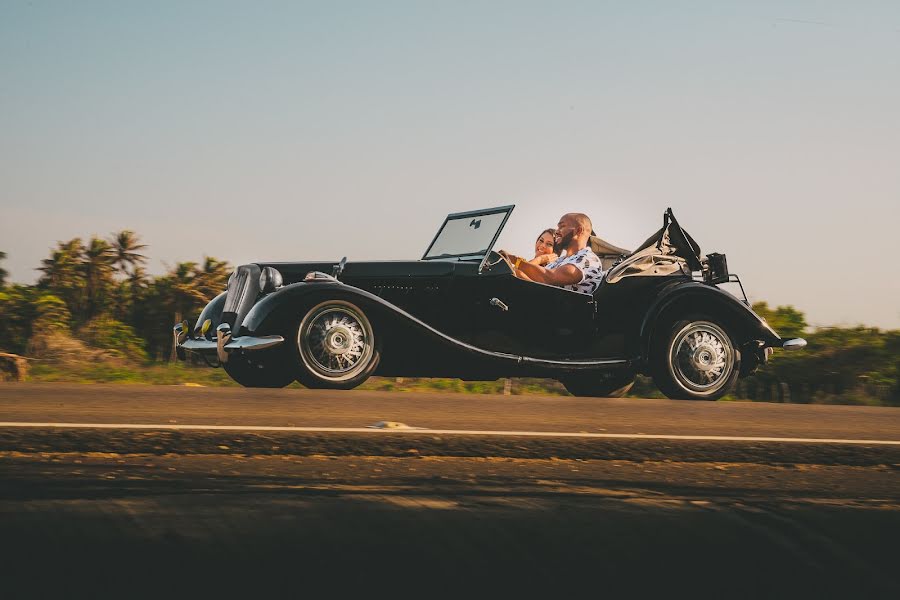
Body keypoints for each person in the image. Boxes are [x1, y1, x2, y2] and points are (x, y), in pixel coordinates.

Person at [500, 213, 604, 294]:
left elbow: (549, 277)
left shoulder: (588, 259)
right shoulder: (560, 260)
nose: (557, 231)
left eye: (562, 227)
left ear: (578, 230)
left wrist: (515, 260)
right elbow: (534, 283)